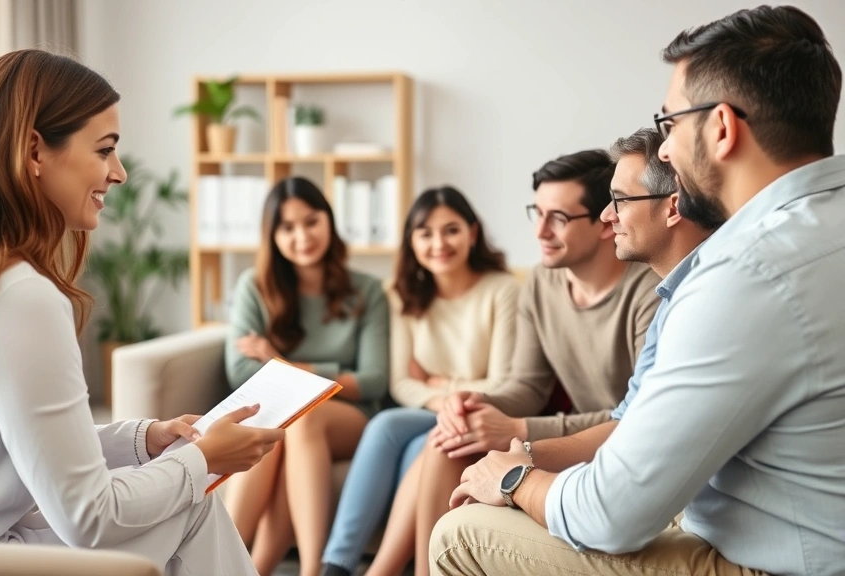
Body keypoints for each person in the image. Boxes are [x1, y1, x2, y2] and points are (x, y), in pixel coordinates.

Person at [0, 49, 283, 576]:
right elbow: (90, 518)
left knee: (186, 497)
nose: (120, 173)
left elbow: (3, 437)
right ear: (35, 151)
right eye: (105, 150)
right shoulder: (16, 296)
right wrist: (204, 460)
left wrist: (143, 439)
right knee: (193, 497)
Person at [432, 6, 845, 576]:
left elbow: (613, 515)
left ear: (722, 128)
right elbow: (632, 425)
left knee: (461, 535)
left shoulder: (743, 275)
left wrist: (511, 477)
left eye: (671, 123)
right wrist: (526, 456)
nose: (668, 151)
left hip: (782, 559)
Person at [358, 151, 663, 576]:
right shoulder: (541, 281)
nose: (539, 231)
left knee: (449, 438)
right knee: (448, 437)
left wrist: (521, 429)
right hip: (574, 435)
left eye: (558, 217)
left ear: (603, 221)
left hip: (616, 447)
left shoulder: (649, 291)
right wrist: (470, 400)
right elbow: (527, 385)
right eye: (536, 213)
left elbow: (638, 418)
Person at [321, 186, 520, 576]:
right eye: (425, 233)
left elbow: (504, 381)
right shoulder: (402, 295)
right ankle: (338, 566)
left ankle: (380, 569)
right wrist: (445, 394)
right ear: (411, 241)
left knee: (421, 445)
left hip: (478, 411)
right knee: (388, 425)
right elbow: (400, 383)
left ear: (472, 233)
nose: (438, 243)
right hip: (425, 410)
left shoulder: (502, 290)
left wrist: (445, 389)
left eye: (451, 230)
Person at [222, 176, 390, 576]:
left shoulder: (366, 291)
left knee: (303, 417)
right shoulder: (255, 287)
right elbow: (240, 370)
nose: (303, 236)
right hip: (285, 416)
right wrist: (332, 375)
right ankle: (236, 563)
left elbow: (374, 380)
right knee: (277, 430)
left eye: (311, 221)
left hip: (351, 415)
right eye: (288, 227)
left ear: (329, 221)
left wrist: (281, 362)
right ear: (272, 236)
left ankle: (313, 569)